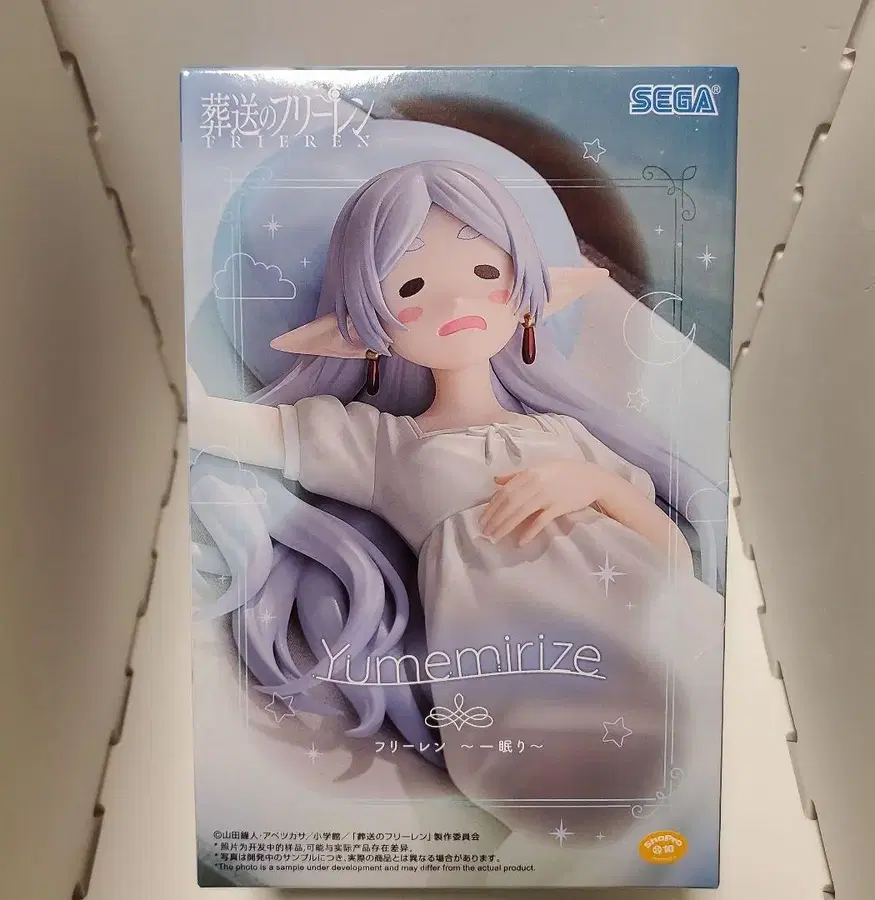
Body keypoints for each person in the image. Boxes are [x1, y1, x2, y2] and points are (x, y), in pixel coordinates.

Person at [188, 160, 723, 843]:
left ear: (526, 294)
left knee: (705, 743)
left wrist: (596, 486)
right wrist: (186, 399)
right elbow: (253, 431)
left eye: (484, 272)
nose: (455, 303)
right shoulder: (387, 448)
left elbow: (672, 556)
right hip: (522, 678)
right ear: (366, 328)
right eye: (410, 287)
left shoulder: (565, 434)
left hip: (658, 632)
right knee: (580, 808)